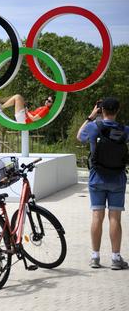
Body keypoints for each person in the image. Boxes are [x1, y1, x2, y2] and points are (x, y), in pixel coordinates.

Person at [77, 97, 129, 270]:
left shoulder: (93, 127)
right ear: (117, 111)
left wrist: (91, 116)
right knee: (115, 218)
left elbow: (79, 136)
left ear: (102, 110)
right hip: (117, 179)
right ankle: (115, 258)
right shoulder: (125, 130)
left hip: (96, 178)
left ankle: (95, 257)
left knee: (97, 217)